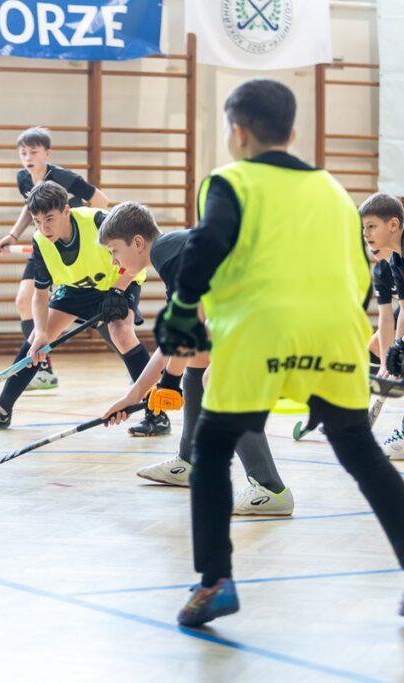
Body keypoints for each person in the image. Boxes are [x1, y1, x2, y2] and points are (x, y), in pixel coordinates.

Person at [154, 78, 404, 626]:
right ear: (291, 132)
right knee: (362, 454)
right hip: (336, 334)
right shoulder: (336, 192)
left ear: (237, 131)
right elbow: (362, 278)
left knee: (212, 447)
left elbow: (206, 243)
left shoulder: (230, 180)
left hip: (258, 334)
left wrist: (179, 309)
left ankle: (216, 580)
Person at [97, 202, 294, 515]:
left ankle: (269, 488)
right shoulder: (174, 250)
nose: (113, 260)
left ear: (137, 242)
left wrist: (167, 383)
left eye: (113, 250)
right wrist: (140, 393)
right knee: (200, 357)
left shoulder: (168, 252)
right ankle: (190, 462)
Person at [0, 181, 151, 431]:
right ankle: (1, 410)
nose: (44, 227)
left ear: (66, 211)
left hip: (118, 281)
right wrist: (41, 333)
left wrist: (119, 288)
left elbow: (141, 253)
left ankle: (156, 412)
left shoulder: (98, 221)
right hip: (75, 289)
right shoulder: (41, 241)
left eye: (49, 219)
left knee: (122, 333)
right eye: (37, 221)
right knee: (36, 341)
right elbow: (40, 294)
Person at [0, 127, 119, 400]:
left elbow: (101, 200)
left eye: (33, 152)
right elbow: (31, 208)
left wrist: (79, 229)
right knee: (23, 300)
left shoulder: (63, 177)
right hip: (46, 245)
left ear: (47, 154)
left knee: (102, 321)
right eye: (23, 153)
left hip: (76, 249)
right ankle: (43, 368)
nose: (27, 157)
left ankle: (135, 360)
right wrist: (13, 234)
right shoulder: (23, 179)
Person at [359, 193, 404, 460]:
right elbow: (390, 316)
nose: (366, 234)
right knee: (377, 345)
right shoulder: (394, 263)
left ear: (394, 225)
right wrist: (395, 352)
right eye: (363, 228)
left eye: (371, 226)